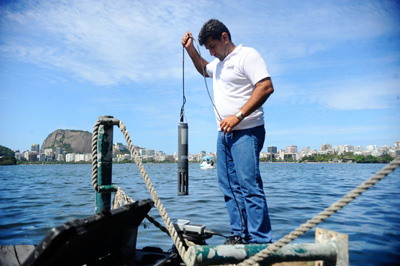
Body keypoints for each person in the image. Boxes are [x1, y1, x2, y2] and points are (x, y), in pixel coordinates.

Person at [181, 19, 274, 244]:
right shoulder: (218, 64)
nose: (211, 52)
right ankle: (240, 235)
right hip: (223, 135)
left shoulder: (247, 55)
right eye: (208, 49)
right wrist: (190, 49)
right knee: (228, 187)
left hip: (247, 130)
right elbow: (203, 68)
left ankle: (260, 242)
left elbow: (266, 87)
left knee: (249, 187)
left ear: (225, 37)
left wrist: (238, 116)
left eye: (213, 46)